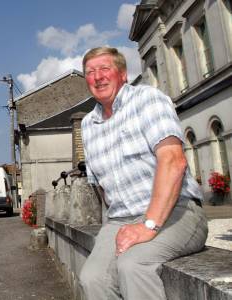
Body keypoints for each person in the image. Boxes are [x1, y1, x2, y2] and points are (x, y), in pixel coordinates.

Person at [79, 47, 208, 300]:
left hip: (176, 212)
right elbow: (101, 189)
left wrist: (148, 225)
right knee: (92, 279)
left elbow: (174, 161)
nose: (98, 77)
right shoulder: (87, 125)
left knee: (133, 265)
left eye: (105, 69)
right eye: (90, 72)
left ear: (123, 74)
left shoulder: (148, 99)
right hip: (119, 220)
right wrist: (119, 227)